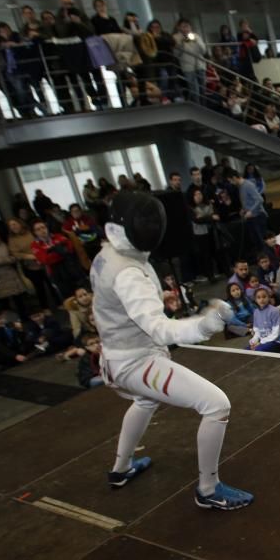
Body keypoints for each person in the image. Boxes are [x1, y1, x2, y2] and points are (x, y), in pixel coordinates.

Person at [91, 192, 253, 510]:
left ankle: (120, 470)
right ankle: (208, 489)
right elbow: (160, 329)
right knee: (216, 405)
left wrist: (156, 298)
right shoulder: (128, 274)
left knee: (145, 400)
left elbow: (121, 304)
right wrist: (205, 324)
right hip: (135, 362)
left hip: (113, 355)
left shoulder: (107, 253)